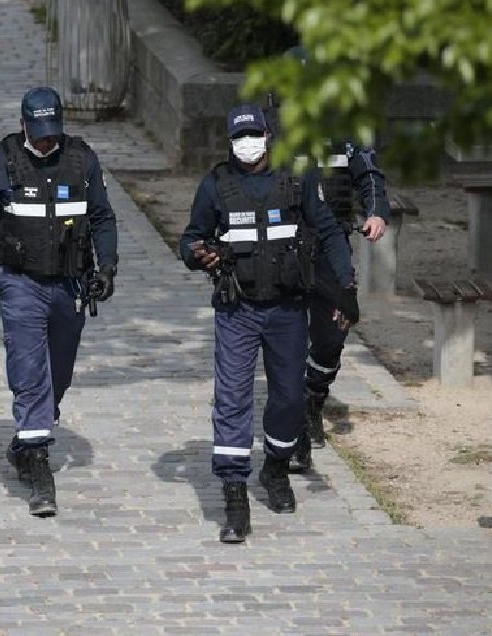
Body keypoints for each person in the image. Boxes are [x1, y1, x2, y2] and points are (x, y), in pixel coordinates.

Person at [179, 104, 359, 544]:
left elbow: (331, 232)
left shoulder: (297, 181)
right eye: (239, 137)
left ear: (268, 135)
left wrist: (346, 286)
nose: (247, 144)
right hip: (237, 311)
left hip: (287, 310)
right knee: (232, 399)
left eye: (254, 134)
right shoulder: (215, 186)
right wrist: (197, 253)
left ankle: (276, 468)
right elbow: (189, 239)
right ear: (229, 141)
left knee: (288, 398)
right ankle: (234, 492)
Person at [0, 87, 118, 517]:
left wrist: (106, 268)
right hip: (21, 283)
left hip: (71, 284)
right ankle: (38, 463)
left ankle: (27, 437)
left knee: (58, 376)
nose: (46, 142)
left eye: (53, 133)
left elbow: (102, 217)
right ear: (23, 124)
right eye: (39, 133)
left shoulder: (82, 160)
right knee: (29, 371)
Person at [266, 46, 391, 471]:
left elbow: (369, 173)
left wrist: (375, 211)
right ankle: (292, 416)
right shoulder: (267, 132)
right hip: (283, 247)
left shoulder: (346, 128)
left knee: (334, 331)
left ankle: (314, 400)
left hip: (332, 243)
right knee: (285, 333)